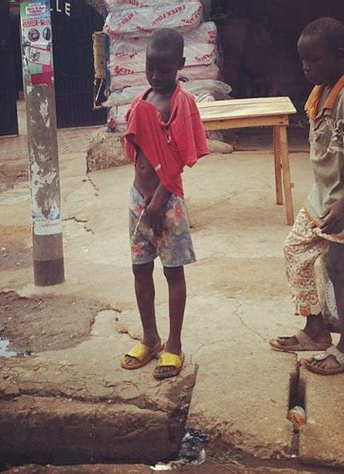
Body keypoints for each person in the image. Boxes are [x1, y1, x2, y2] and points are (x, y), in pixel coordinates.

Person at [269, 18, 344, 375]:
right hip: (321, 200)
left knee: (336, 267)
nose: (306, 66)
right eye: (303, 60)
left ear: (338, 56)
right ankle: (315, 330)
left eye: (313, 59)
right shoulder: (320, 92)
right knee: (296, 251)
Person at [120, 28, 208, 379]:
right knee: (141, 268)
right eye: (150, 67)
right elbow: (138, 148)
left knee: (173, 271)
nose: (156, 76)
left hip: (166, 202)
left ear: (180, 65)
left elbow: (179, 158)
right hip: (137, 199)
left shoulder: (180, 103)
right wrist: (144, 201)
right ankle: (150, 337)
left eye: (164, 69)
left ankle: (174, 344)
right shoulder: (143, 98)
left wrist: (157, 202)